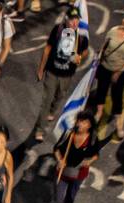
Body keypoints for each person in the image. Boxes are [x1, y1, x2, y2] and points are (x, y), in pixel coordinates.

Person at [34, 6, 90, 143]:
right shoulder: (58, 30)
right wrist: (41, 69)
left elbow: (85, 51)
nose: (74, 22)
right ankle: (40, 129)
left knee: (60, 96)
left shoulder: (81, 37)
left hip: (66, 76)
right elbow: (47, 49)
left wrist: (79, 57)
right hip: (52, 72)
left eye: (77, 20)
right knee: (46, 101)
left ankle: (52, 111)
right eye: (72, 19)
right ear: (66, 19)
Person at [88, 10, 124, 141]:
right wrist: (99, 57)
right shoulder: (113, 30)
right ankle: (99, 113)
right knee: (101, 91)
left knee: (116, 96)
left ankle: (119, 125)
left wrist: (120, 71)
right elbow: (105, 45)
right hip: (105, 66)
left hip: (120, 70)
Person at [52, 112, 100, 203]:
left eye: (84, 122)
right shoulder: (68, 134)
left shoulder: (92, 139)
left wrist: (89, 161)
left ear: (90, 125)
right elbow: (56, 149)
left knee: (72, 193)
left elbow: (96, 155)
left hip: (79, 173)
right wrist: (59, 160)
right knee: (58, 198)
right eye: (79, 121)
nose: (80, 124)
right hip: (63, 171)